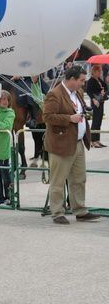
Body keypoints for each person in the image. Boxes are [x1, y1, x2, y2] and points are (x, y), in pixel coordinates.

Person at [43, 66, 101, 224]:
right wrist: (69, 118)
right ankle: (57, 212)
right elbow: (47, 117)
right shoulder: (54, 94)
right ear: (72, 79)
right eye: (81, 80)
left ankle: (80, 210)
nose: (83, 83)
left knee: (79, 179)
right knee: (58, 180)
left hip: (78, 143)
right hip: (61, 145)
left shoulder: (78, 93)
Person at [86, 64, 107, 147]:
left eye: (100, 71)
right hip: (96, 102)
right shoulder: (91, 80)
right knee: (95, 121)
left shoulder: (99, 79)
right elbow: (88, 91)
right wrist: (93, 99)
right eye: (99, 71)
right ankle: (92, 140)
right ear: (94, 72)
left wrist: (103, 91)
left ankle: (97, 140)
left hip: (100, 102)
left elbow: (105, 86)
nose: (100, 73)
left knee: (99, 121)